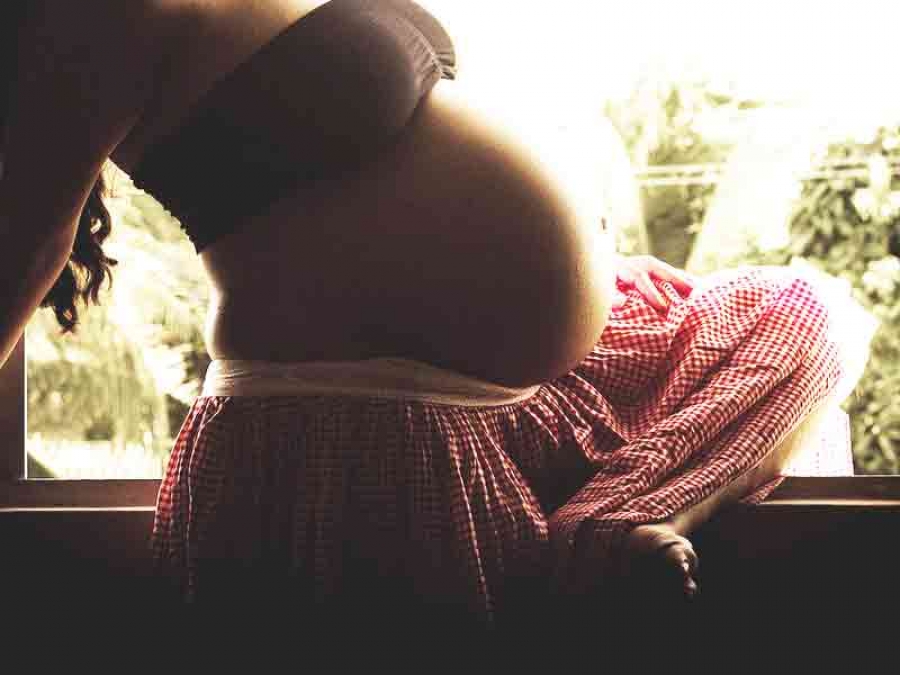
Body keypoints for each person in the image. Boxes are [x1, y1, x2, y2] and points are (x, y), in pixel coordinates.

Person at [0, 0, 842, 632]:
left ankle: (622, 520)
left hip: (524, 399)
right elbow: (25, 247)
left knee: (806, 319)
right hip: (356, 422)